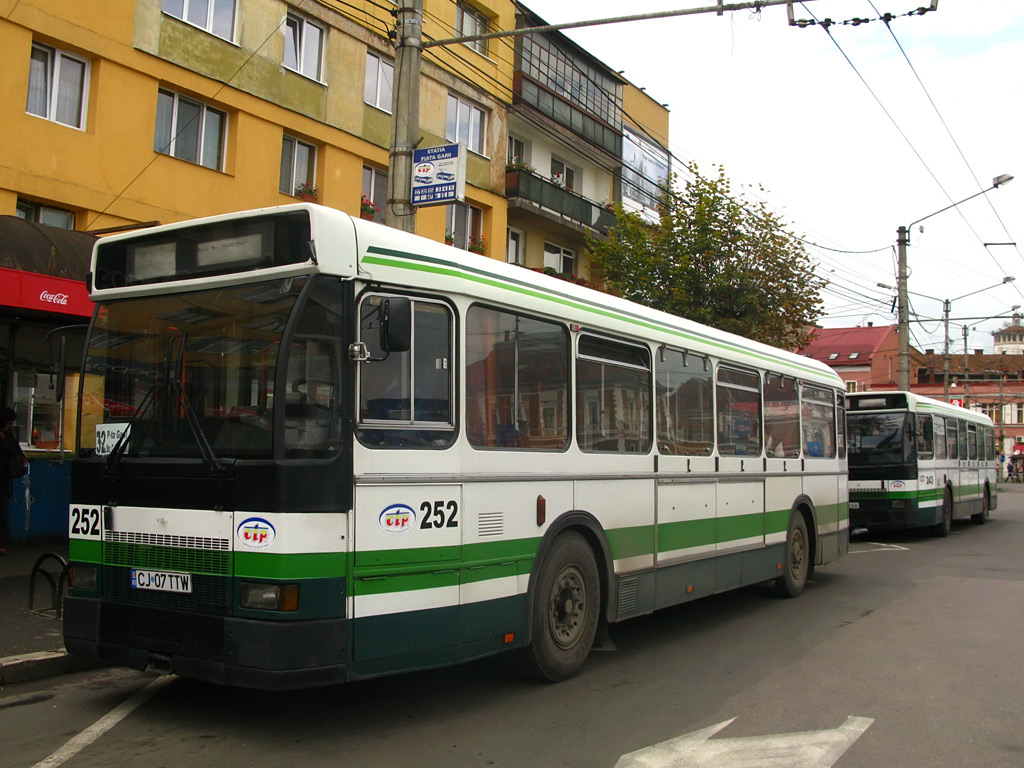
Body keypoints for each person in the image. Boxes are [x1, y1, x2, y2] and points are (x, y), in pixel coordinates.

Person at [0, 406, 28, 556]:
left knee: (3, 510)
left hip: (4, 478)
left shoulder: (8, 434)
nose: (10, 426)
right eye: (9, 423)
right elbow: (9, 448)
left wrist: (21, 456)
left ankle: (2, 541)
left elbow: (15, 448)